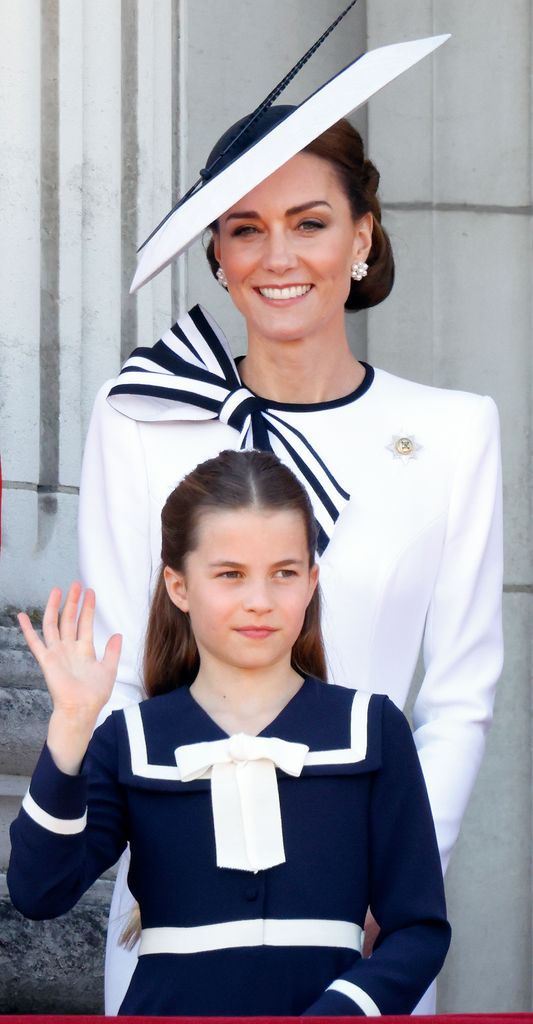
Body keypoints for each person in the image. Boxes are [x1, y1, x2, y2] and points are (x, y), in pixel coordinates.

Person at [77, 23, 502, 1016]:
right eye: (243, 227)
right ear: (215, 253)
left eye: (308, 223)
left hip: (361, 917)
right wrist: (166, 850)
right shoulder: (139, 417)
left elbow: (458, 698)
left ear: (359, 236)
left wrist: (389, 882)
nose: (277, 256)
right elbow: (111, 671)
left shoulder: (450, 433)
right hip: (178, 906)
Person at [9, 450, 451, 1017]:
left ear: (312, 581)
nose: (260, 601)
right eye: (230, 575)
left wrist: (341, 1012)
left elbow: (419, 929)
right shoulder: (132, 740)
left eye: (285, 573)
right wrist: (71, 727)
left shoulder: (372, 729)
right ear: (179, 586)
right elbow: (38, 892)